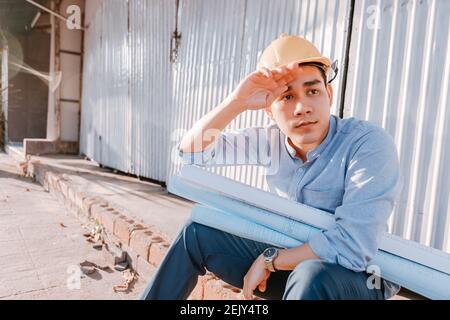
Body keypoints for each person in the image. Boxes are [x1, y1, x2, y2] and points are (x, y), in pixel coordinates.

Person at [141, 34, 402, 300]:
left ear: (329, 94)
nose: (302, 107)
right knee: (196, 232)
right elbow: (191, 153)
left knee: (310, 276)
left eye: (313, 91)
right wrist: (237, 102)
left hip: (357, 276)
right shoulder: (270, 141)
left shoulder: (366, 143)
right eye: (287, 97)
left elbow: (353, 246)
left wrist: (270, 260)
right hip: (292, 263)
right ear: (269, 110)